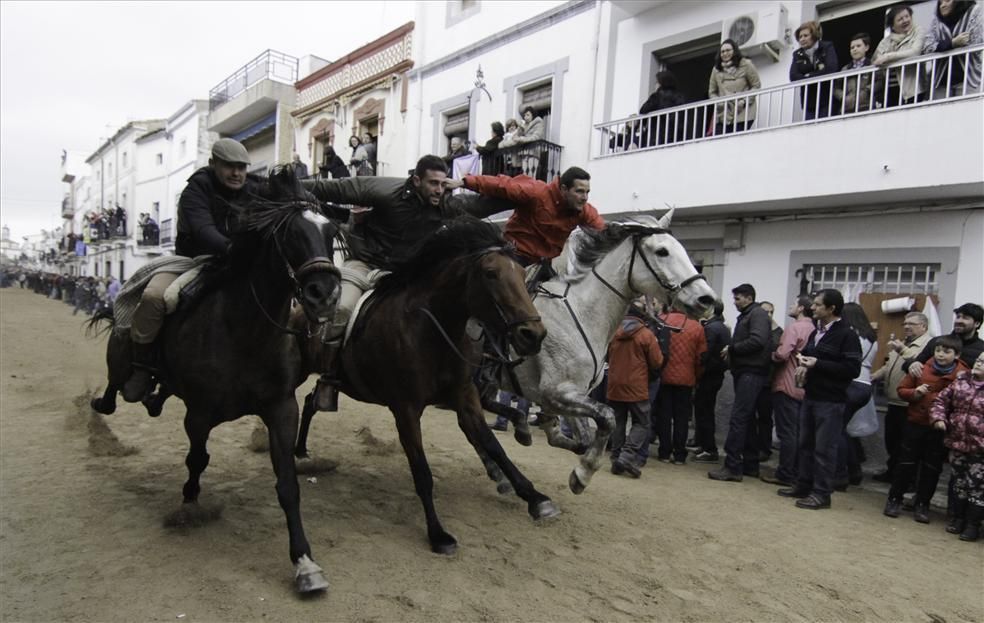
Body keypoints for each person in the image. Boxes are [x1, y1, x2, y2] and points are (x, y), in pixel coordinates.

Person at [304, 155, 505, 410]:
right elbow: (338, 188)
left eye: (443, 184)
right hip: (365, 263)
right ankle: (329, 379)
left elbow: (490, 204)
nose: (439, 190)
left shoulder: (447, 205)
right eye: (433, 183)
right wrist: (290, 186)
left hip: (404, 275)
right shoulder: (387, 191)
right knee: (343, 308)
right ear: (416, 179)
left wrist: (469, 181)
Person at [123, 138, 262, 401]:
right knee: (154, 297)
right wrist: (232, 249)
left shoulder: (256, 187)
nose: (236, 173)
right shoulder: (196, 189)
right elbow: (202, 228)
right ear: (213, 164)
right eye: (229, 166)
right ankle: (142, 367)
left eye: (242, 167)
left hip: (240, 265)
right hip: (193, 261)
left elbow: (293, 194)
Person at [778, 289, 861, 510]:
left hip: (831, 401)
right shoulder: (817, 332)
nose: (812, 308)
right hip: (811, 396)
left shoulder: (847, 335)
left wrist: (818, 364)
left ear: (831, 308)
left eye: (817, 305)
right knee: (805, 445)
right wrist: (804, 365)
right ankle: (803, 485)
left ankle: (822, 494)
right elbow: (813, 357)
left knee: (824, 450)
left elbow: (852, 369)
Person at [443, 166, 605, 271]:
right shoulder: (536, 192)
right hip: (514, 255)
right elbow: (500, 184)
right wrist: (463, 182)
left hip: (542, 265)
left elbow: (603, 231)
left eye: (587, 192)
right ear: (564, 189)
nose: (585, 198)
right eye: (579, 191)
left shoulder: (583, 210)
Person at [885, 336, 968, 522]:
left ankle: (922, 504)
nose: (941, 355)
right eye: (938, 350)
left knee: (932, 468)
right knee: (905, 463)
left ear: (957, 355)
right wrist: (915, 393)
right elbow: (902, 389)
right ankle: (894, 499)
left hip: (939, 428)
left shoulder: (963, 375)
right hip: (915, 423)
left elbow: (962, 400)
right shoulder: (921, 368)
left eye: (947, 352)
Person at [708, 284, 772, 482]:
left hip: (751, 372)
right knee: (748, 420)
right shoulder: (750, 315)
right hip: (747, 372)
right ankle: (750, 465)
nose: (735, 303)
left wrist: (733, 348)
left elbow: (758, 341)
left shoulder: (757, 314)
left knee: (739, 418)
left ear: (749, 298)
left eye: (738, 299)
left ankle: (732, 466)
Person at [871, 311, 932, 482]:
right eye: (905, 323)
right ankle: (892, 472)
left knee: (908, 445)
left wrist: (903, 350)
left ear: (923, 326)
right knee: (892, 441)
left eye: (911, 324)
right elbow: (890, 365)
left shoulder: (927, 345)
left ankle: (908, 480)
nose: (906, 326)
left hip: (910, 404)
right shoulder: (903, 343)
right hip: (893, 401)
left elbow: (920, 368)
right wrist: (875, 376)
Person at [762, 295, 816, 487]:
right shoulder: (814, 329)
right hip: (804, 387)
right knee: (801, 432)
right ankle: (798, 471)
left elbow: (782, 354)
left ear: (801, 308)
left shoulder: (794, 328)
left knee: (787, 432)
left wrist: (770, 354)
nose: (791, 306)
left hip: (786, 383)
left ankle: (785, 473)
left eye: (794, 304)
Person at [931, 351, 984, 541]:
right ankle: (958, 518)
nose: (979, 364)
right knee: (959, 482)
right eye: (979, 360)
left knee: (977, 486)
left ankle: (973, 525)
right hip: (957, 442)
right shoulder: (961, 381)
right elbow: (940, 400)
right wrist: (939, 418)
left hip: (981, 448)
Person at [607, 308, 664, 478]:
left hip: (615, 384)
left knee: (618, 421)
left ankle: (616, 456)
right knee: (642, 422)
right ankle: (626, 456)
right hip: (636, 386)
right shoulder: (646, 335)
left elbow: (607, 356)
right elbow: (657, 361)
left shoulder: (613, 332)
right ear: (641, 318)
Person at [654, 305, 707, 465]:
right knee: (682, 418)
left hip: (664, 376)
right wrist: (697, 376)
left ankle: (664, 452)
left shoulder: (661, 321)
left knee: (664, 416)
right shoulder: (697, 327)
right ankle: (679, 455)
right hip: (686, 379)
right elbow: (701, 357)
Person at [836, 302, 879, 489]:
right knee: (844, 430)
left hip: (850, 383)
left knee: (837, 430)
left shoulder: (849, 334)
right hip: (865, 383)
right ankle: (853, 470)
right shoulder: (870, 336)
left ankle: (844, 473)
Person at [693, 300, 730, 462]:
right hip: (716, 374)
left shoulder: (711, 328)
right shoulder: (722, 327)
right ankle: (704, 445)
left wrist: (699, 369)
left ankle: (709, 448)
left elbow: (704, 354)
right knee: (705, 410)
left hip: (708, 375)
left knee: (704, 411)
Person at [923, 0, 983, 98]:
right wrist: (952, 43)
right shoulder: (936, 21)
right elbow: (927, 46)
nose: (943, 5)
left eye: (947, 1)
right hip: (941, 84)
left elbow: (976, 41)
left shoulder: (973, 12)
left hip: (968, 81)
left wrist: (941, 46)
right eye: (940, 3)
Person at [907, 303, 984, 376]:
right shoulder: (937, 341)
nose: (959, 321)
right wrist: (913, 364)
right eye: (958, 317)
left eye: (965, 318)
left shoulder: (982, 349)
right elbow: (913, 363)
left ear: (977, 324)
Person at [872, 4, 927, 106]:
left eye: (907, 16)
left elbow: (915, 52)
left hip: (913, 90)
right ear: (892, 25)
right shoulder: (886, 42)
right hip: (890, 91)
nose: (905, 20)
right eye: (900, 19)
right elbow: (876, 60)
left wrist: (888, 57)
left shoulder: (918, 31)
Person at [708, 38, 761, 135]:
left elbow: (756, 85)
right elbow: (712, 91)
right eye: (722, 51)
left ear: (734, 51)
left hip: (743, 112)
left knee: (736, 140)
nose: (725, 53)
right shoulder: (716, 70)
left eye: (728, 50)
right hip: (723, 113)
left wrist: (744, 101)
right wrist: (718, 101)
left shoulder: (746, 64)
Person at [789, 21, 839, 120]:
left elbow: (831, 68)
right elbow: (793, 76)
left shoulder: (826, 47)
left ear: (814, 35)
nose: (802, 39)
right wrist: (818, 74)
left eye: (805, 35)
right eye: (800, 37)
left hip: (826, 98)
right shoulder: (797, 54)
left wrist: (809, 76)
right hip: (809, 102)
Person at [755, 301, 783, 461]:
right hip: (756, 377)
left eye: (771, 312)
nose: (768, 315)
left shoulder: (778, 331)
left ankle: (764, 449)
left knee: (765, 417)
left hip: (769, 380)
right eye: (765, 311)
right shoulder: (757, 329)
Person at [638, 70, 687, 146]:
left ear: (661, 83)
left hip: (656, 137)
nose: (655, 85)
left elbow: (643, 110)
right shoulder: (680, 96)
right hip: (674, 136)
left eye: (657, 82)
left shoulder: (657, 96)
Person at [834, 33, 877, 114]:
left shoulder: (872, 65)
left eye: (858, 46)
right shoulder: (845, 69)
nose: (855, 49)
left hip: (867, 106)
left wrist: (868, 90)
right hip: (847, 109)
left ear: (866, 47)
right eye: (852, 47)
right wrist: (843, 97)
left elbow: (881, 81)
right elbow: (836, 87)